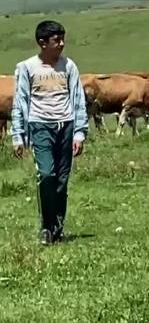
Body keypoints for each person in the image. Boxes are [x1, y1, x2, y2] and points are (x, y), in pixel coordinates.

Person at [11, 20, 88, 245]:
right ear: (43, 43)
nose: (62, 44)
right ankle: (46, 225)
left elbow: (78, 99)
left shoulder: (69, 66)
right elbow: (20, 101)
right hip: (40, 125)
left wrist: (79, 133)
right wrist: (18, 136)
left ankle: (56, 228)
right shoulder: (26, 67)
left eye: (63, 39)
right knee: (46, 174)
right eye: (57, 40)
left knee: (62, 179)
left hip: (66, 124)